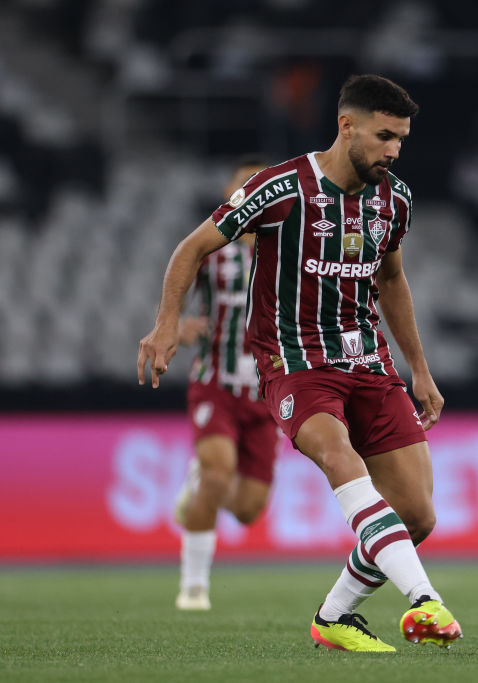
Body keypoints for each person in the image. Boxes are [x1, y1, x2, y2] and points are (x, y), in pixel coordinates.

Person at [138, 74, 461, 652]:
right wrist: (166, 325)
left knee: (416, 515)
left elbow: (391, 279)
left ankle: (334, 617)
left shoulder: (395, 198)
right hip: (295, 365)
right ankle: (425, 601)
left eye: (402, 140)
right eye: (385, 136)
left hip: (370, 363)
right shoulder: (281, 186)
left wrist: (421, 367)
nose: (393, 150)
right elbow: (192, 248)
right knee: (337, 454)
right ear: (346, 126)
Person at [173, 157, 278, 612]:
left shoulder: (289, 252)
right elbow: (177, 278)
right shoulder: (212, 248)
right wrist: (173, 323)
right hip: (215, 382)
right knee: (217, 475)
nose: (251, 193)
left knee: (249, 509)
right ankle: (194, 586)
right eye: (243, 185)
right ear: (230, 194)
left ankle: (201, 486)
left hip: (265, 393)